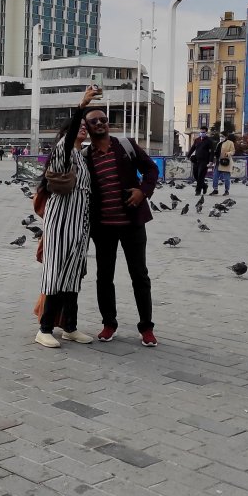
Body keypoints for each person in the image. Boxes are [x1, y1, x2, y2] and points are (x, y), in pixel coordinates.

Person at [83, 107, 159, 347]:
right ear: (86, 127)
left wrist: (142, 192)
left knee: (140, 275)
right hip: (102, 226)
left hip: (132, 223)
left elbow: (151, 169)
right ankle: (109, 323)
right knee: (104, 276)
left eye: (103, 120)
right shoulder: (85, 156)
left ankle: (146, 327)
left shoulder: (125, 145)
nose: (100, 124)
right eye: (94, 121)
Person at [36, 86, 101, 348]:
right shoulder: (63, 151)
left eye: (86, 126)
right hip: (61, 223)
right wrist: (82, 104)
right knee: (55, 273)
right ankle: (44, 328)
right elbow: (73, 129)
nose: (84, 128)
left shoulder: (82, 157)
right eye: (80, 126)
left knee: (73, 274)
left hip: (79, 225)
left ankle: (70, 327)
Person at [187, 127, 214, 197]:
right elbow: (192, 148)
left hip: (204, 161)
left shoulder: (209, 141)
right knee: (195, 175)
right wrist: (188, 156)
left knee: (200, 176)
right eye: (201, 132)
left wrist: (211, 161)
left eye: (203, 132)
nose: (202, 133)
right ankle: (204, 186)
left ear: (206, 132)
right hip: (196, 160)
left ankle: (198, 190)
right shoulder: (197, 140)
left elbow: (211, 152)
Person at [211, 131, 236, 196]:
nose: (221, 137)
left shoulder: (230, 143)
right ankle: (215, 189)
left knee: (226, 178)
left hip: (226, 162)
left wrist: (228, 153)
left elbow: (233, 151)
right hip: (218, 162)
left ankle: (226, 190)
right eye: (220, 136)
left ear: (226, 137)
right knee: (215, 177)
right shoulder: (219, 143)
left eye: (222, 136)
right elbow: (217, 152)